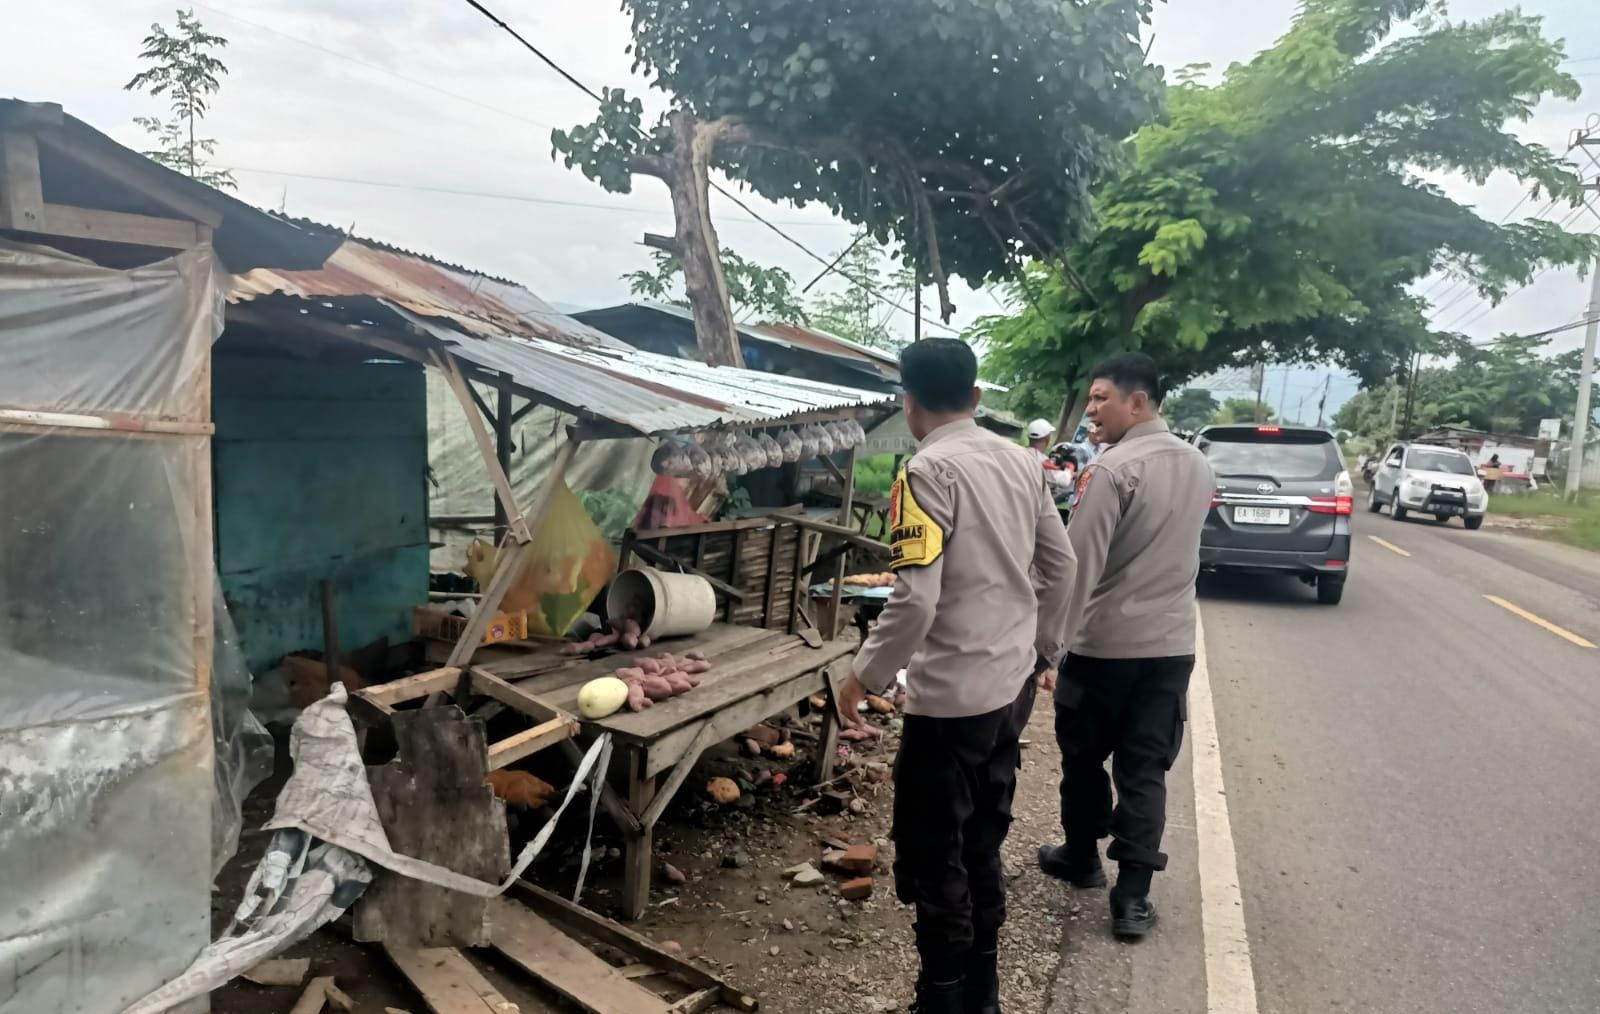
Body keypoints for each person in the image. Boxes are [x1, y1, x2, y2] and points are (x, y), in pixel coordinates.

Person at [838, 338, 1076, 1014]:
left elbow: (915, 599)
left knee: (935, 849)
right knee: (982, 839)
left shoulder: (924, 473)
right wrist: (1043, 651)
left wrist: (863, 676)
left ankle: (941, 998)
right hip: (1010, 688)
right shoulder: (1023, 461)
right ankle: (984, 993)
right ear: (974, 397)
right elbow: (1062, 568)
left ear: (908, 401)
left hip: (949, 702)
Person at [1037, 353, 1214, 939]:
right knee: (1145, 768)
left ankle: (1081, 857)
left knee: (1084, 757)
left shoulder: (1111, 469)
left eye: (1100, 398)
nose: (1091, 409)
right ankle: (1132, 900)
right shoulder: (1198, 464)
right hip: (1170, 647)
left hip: (1104, 647)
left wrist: (1050, 648)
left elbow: (1077, 566)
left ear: (1137, 402)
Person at [1026, 418, 1076, 501]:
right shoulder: (1043, 460)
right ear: (1047, 439)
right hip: (1031, 498)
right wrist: (1070, 467)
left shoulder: (1021, 453)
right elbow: (1065, 481)